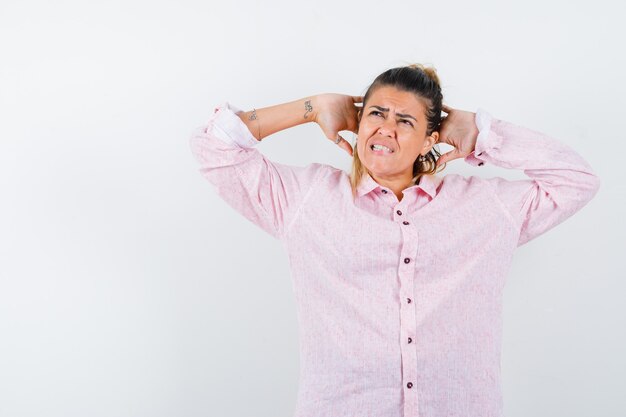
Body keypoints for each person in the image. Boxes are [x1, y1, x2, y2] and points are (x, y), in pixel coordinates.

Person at [189, 64, 600, 417]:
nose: (386, 127)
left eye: (405, 121)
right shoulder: (307, 198)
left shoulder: (487, 207)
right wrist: (313, 107)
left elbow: (577, 181)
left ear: (430, 138)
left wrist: (480, 130)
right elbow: (215, 145)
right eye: (376, 114)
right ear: (358, 122)